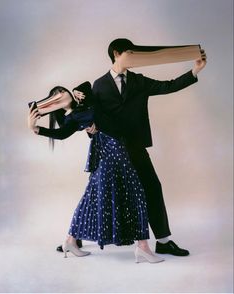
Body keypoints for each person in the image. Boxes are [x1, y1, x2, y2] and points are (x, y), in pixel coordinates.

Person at [88, 38, 207, 256]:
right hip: (110, 150)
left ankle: (163, 241)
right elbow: (91, 117)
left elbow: (167, 86)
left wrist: (194, 71)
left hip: (135, 147)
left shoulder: (139, 81)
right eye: (131, 54)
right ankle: (74, 237)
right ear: (117, 53)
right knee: (96, 192)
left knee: (152, 188)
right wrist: (90, 130)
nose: (136, 59)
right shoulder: (99, 85)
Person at [28, 84, 164, 263]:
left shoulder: (84, 100)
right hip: (110, 152)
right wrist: (35, 128)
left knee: (93, 196)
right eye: (55, 97)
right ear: (54, 105)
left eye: (61, 91)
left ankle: (70, 241)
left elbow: (87, 89)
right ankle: (143, 247)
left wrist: (80, 93)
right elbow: (61, 134)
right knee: (134, 194)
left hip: (115, 150)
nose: (61, 96)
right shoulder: (73, 117)